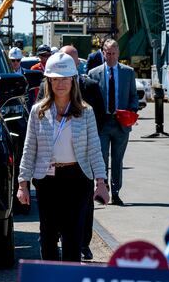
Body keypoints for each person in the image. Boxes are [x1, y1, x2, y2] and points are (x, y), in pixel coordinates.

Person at [17, 52, 109, 262]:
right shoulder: (37, 112)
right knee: (48, 235)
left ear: (73, 81)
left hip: (78, 178)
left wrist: (101, 182)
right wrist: (22, 184)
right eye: (55, 79)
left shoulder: (85, 112)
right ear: (48, 81)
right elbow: (29, 148)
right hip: (47, 180)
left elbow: (94, 148)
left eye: (65, 79)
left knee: (72, 236)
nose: (60, 84)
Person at [87, 38, 139, 205]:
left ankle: (116, 192)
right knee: (101, 157)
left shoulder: (128, 72)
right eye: (107, 53)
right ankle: (103, 188)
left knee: (117, 159)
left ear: (118, 54)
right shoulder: (93, 74)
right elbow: (89, 100)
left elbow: (133, 97)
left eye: (113, 53)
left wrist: (132, 112)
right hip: (102, 123)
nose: (110, 57)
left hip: (121, 123)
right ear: (103, 53)